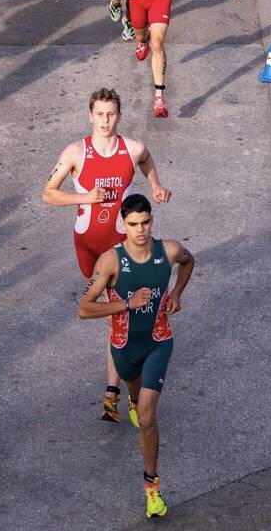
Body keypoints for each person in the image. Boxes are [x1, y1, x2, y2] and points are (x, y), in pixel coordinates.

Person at [42, 88, 172, 421]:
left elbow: (146, 160)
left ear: (119, 115)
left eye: (111, 114)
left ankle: (115, 393)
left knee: (120, 316)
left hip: (121, 244)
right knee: (115, 315)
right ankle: (122, 387)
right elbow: (48, 194)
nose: (105, 120)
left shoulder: (133, 148)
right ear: (90, 115)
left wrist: (155, 184)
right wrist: (84, 197)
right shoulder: (75, 153)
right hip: (87, 245)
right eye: (99, 114)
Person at [78, 193, 194, 521]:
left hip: (159, 341)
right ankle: (129, 399)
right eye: (133, 224)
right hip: (124, 348)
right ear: (123, 225)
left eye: (145, 223)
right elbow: (84, 308)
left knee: (146, 416)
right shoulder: (110, 261)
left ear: (152, 221)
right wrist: (124, 304)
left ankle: (152, 488)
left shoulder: (168, 251)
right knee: (134, 390)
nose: (140, 230)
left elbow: (189, 261)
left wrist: (175, 294)